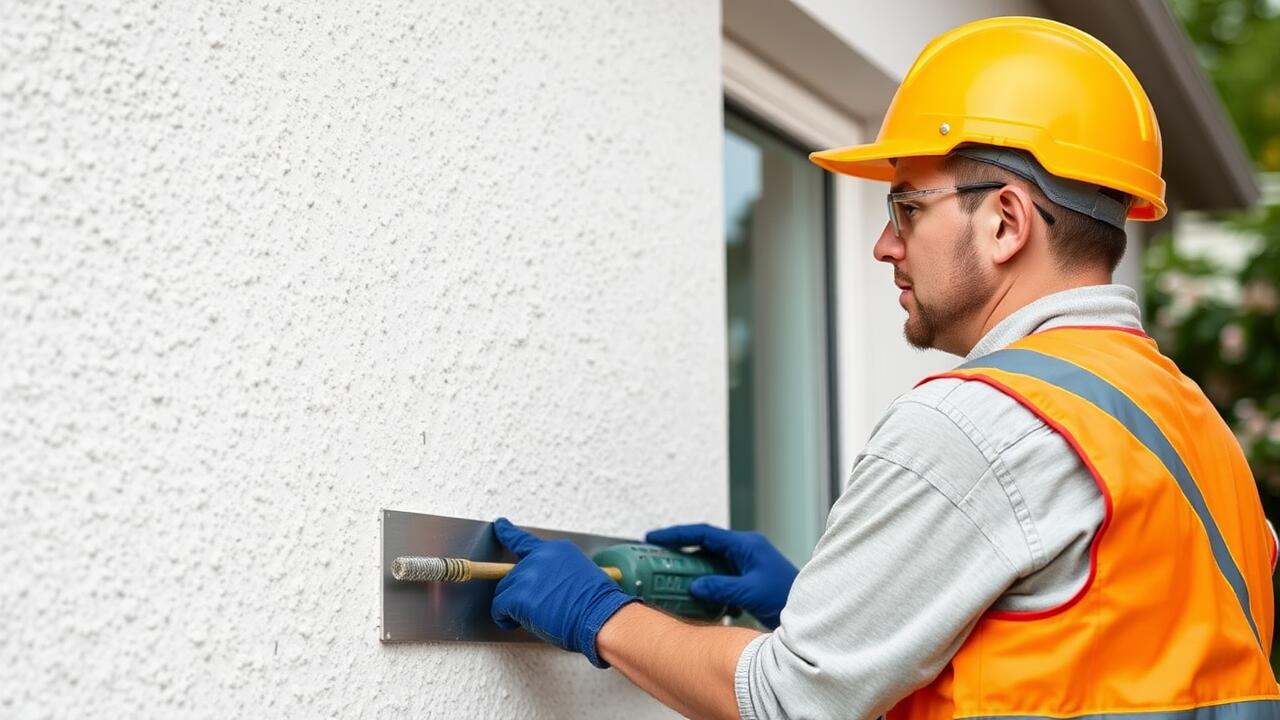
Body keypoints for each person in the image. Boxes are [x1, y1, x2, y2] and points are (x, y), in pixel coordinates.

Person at [489, 16, 1280, 720]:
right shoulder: (1195, 430)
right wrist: (824, 609)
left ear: (1006, 221)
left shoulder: (983, 421)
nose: (884, 245)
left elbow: (787, 702)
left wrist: (599, 615)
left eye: (907, 207)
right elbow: (1098, 652)